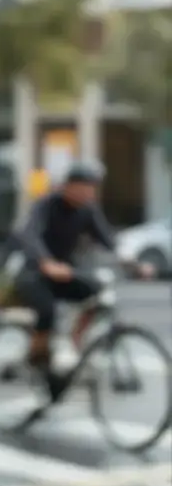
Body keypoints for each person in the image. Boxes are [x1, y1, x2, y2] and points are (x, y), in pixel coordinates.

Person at [12, 161, 153, 394]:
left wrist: (134, 265)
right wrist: (46, 262)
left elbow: (107, 239)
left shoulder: (87, 210)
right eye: (82, 188)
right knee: (47, 311)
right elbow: (29, 234)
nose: (87, 194)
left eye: (91, 189)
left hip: (67, 272)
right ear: (68, 186)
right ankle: (35, 357)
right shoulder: (46, 204)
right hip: (34, 273)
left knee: (97, 292)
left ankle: (74, 339)